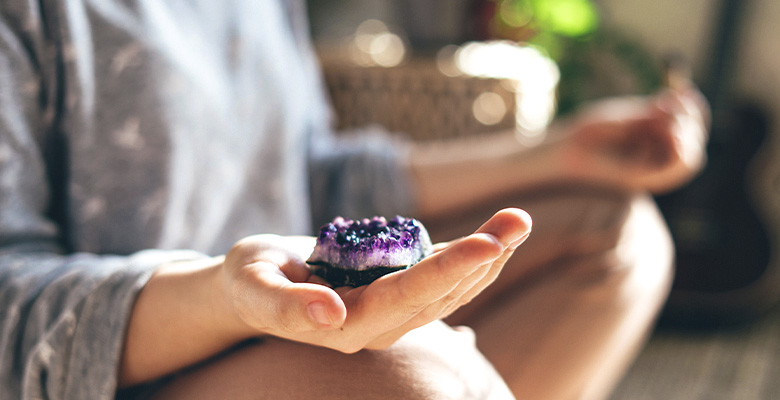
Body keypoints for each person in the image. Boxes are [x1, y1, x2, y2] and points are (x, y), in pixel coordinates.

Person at [0, 0, 708, 399]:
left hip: (269, 296)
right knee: (419, 382)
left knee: (616, 235)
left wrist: (559, 151)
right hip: (118, 360)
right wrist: (223, 297)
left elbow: (310, 173)